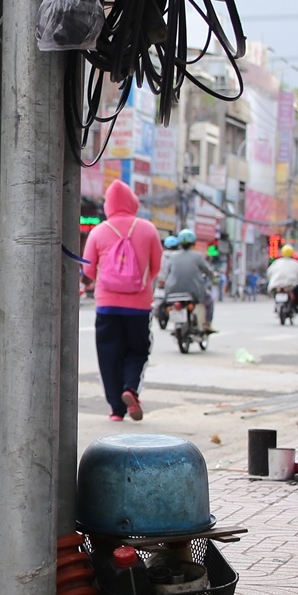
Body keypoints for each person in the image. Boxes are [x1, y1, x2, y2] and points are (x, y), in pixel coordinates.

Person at [81, 180, 163, 421]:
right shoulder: (148, 229)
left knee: (109, 355)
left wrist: (104, 282)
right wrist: (141, 285)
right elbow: (156, 266)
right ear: (132, 202)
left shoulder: (98, 231)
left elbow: (88, 269)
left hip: (107, 305)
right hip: (138, 306)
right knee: (138, 350)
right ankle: (130, 388)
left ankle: (116, 410)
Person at [164, 228, 216, 331]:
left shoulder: (172, 257)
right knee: (209, 300)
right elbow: (207, 270)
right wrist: (213, 278)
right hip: (194, 291)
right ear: (193, 243)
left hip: (172, 291)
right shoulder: (197, 256)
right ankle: (207, 324)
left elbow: (167, 272)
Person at [265, 245, 298, 314]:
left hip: (276, 285)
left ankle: (277, 305)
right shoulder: (295, 263)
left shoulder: (276, 262)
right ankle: (296, 306)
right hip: (290, 285)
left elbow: (269, 273)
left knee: (275, 292)